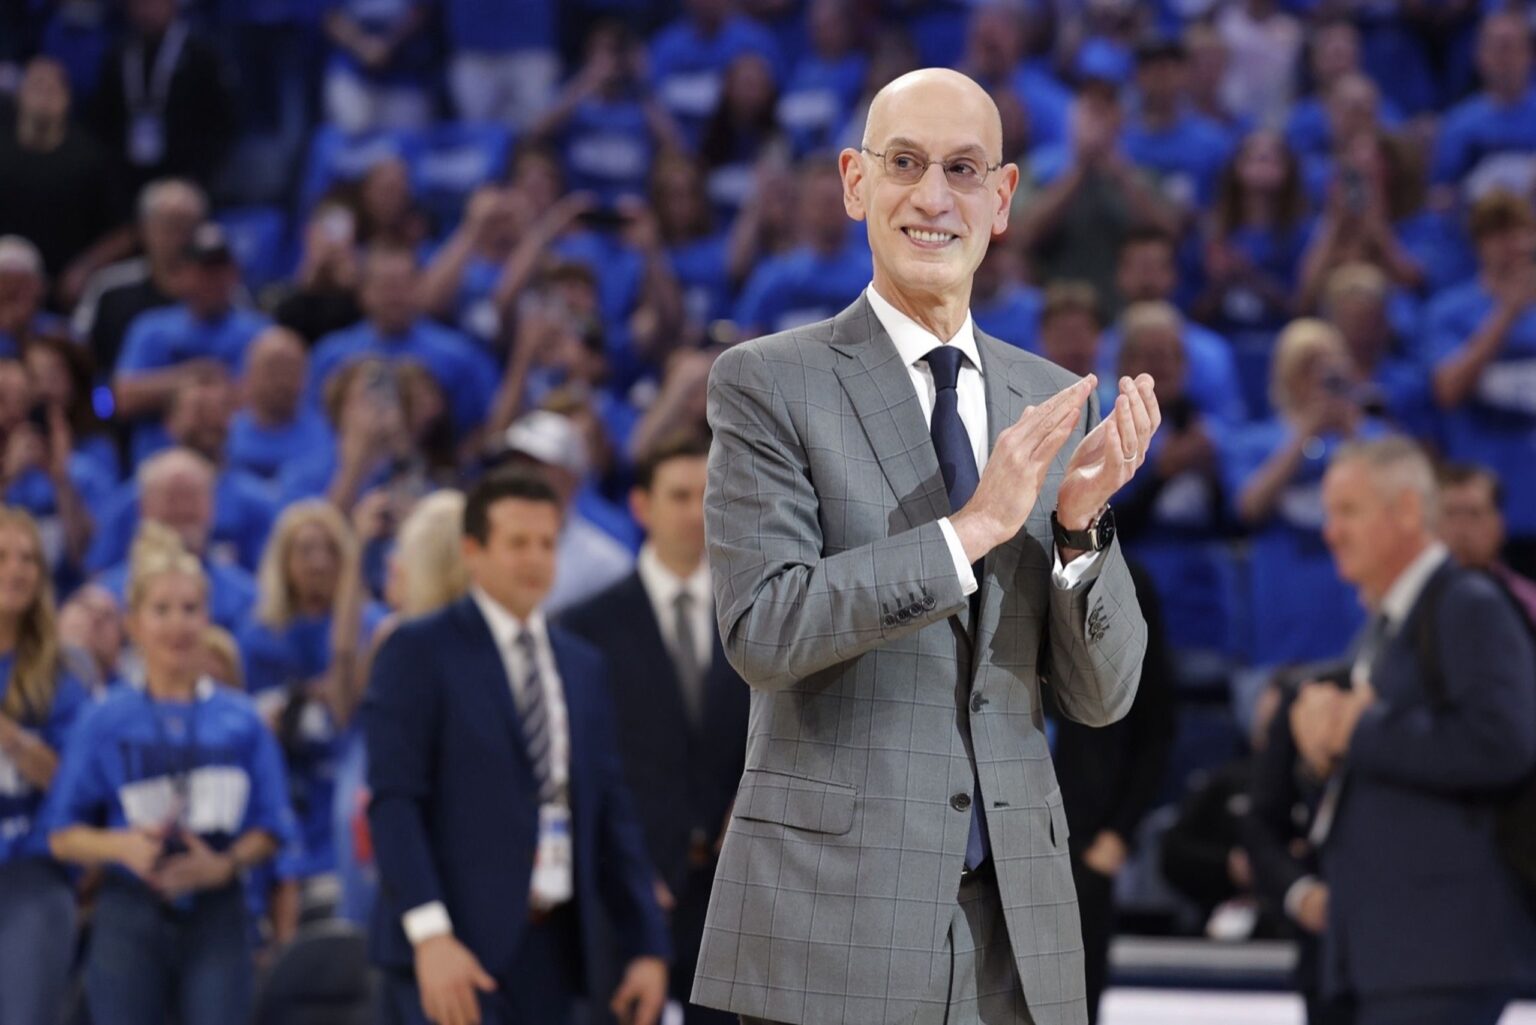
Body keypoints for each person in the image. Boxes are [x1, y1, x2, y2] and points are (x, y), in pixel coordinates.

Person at [693, 68, 1158, 1025]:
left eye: (963, 168)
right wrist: (971, 530)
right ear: (855, 182)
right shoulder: (768, 383)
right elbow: (763, 629)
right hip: (830, 931)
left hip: (1016, 940)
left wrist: (1080, 530)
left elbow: (1102, 698)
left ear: (1004, 196)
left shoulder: (1053, 401)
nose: (933, 196)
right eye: (904, 163)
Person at [363, 468, 669, 1025]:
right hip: (451, 951)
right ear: (473, 551)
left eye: (547, 544)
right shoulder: (417, 650)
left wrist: (646, 944)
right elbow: (394, 802)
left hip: (551, 947)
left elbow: (609, 809)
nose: (535, 559)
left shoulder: (582, 665)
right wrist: (430, 936)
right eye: (517, 543)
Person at [1289, 437, 1536, 1025]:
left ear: (1405, 511)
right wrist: (1319, 753)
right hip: (1387, 953)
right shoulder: (1385, 625)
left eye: (1348, 511)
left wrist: (1355, 729)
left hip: (1439, 953)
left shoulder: (1468, 604)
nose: (1331, 532)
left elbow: (1504, 742)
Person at [46, 524, 295, 1025]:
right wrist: (122, 847)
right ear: (134, 623)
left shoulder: (242, 718)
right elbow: (61, 834)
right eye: (161, 609)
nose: (177, 624)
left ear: (207, 618)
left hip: (219, 910)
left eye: (189, 608)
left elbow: (273, 827)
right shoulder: (105, 718)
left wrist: (224, 864)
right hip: (129, 909)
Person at [560, 433, 748, 1025]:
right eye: (679, 496)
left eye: (707, 495)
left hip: (736, 893)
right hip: (631, 891)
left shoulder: (762, 613)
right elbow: (580, 767)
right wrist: (624, 866)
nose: (696, 512)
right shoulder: (585, 627)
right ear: (641, 506)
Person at [1048, 559, 1174, 1025]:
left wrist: (1119, 833)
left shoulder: (1128, 581)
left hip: (1086, 843)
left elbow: (1156, 727)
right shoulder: (986, 565)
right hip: (995, 838)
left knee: (1078, 1002)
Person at [0, 506, 91, 1025]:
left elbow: (72, 783)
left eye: (28, 558)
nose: (16, 570)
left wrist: (10, 736)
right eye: (2, 557)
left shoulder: (62, 673)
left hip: (30, 873)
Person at [1437, 463, 1536, 623]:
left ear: (1499, 524)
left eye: (1474, 514)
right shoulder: (1410, 604)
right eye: (1450, 513)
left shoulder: (1529, 605)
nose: (1461, 528)